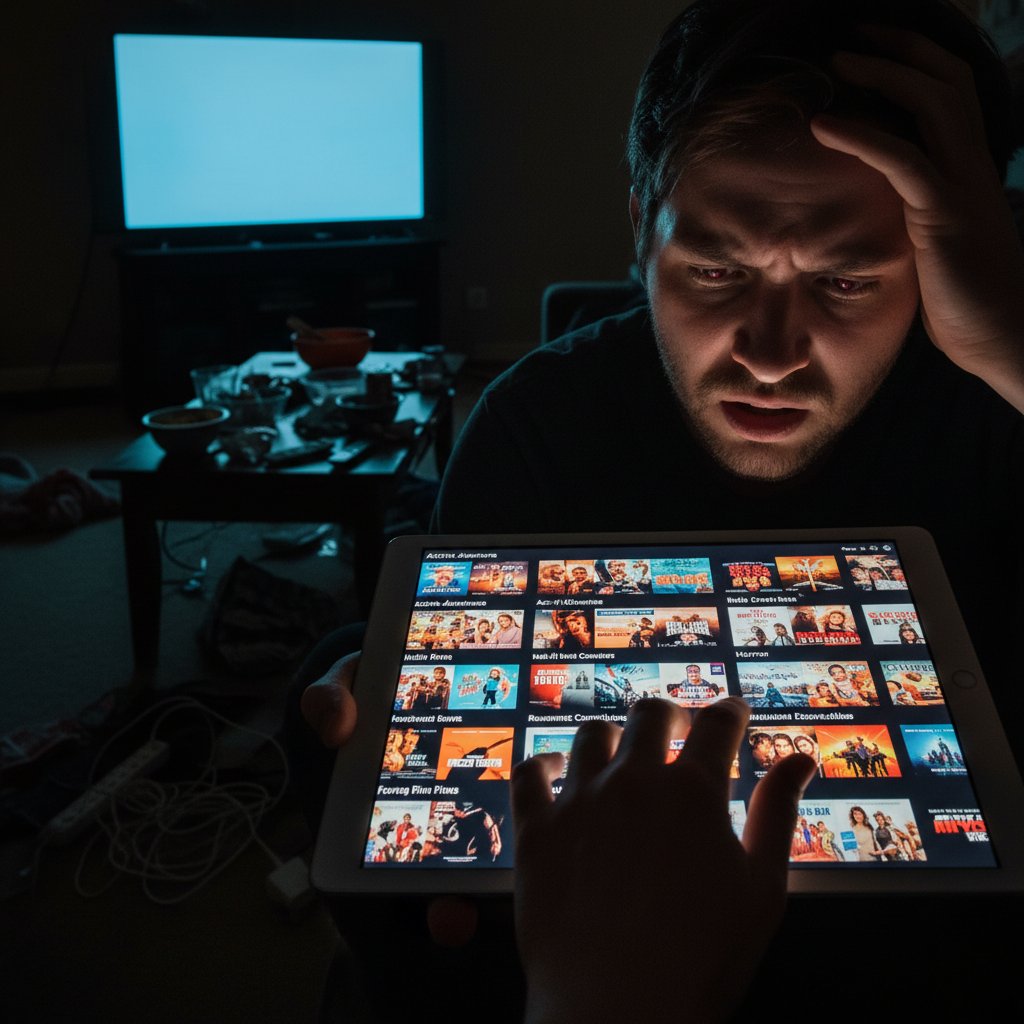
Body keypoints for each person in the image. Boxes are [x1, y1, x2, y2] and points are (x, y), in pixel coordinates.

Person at [295, 0, 1024, 1017]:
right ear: (642, 230)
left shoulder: (993, 413)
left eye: (848, 280)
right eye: (715, 269)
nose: (769, 354)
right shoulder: (532, 429)